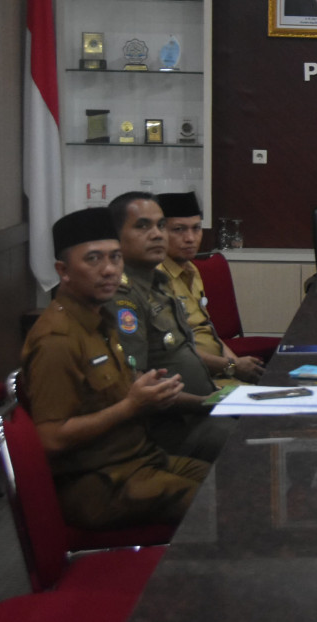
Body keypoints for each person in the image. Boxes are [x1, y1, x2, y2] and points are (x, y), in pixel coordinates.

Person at [20, 207, 208, 530]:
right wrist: (130, 407)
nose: (109, 270)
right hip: (99, 482)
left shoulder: (100, 319)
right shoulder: (57, 339)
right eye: (93, 259)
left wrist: (211, 403)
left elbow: (127, 391)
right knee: (225, 503)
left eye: (115, 258)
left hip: (141, 460)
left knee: (239, 479)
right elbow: (49, 438)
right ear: (63, 271)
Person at [109, 191, 231, 462]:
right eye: (143, 226)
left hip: (202, 410)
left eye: (161, 226)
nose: (157, 235)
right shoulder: (122, 297)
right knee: (257, 442)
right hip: (173, 431)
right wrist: (210, 402)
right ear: (115, 237)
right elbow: (137, 385)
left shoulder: (160, 285)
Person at [156, 192, 263, 384]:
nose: (190, 238)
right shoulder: (156, 279)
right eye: (179, 229)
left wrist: (236, 365)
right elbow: (175, 350)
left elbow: (208, 330)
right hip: (188, 379)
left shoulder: (193, 270)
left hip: (219, 372)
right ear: (159, 233)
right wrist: (231, 366)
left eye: (196, 228)